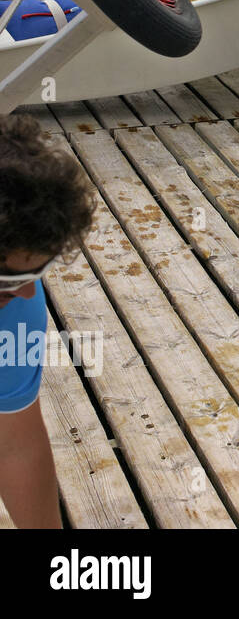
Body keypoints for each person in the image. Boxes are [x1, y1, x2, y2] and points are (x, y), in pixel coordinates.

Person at [0, 114, 97, 529]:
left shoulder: (15, 310)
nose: (26, 292)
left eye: (37, 273)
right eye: (10, 280)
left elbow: (14, 446)